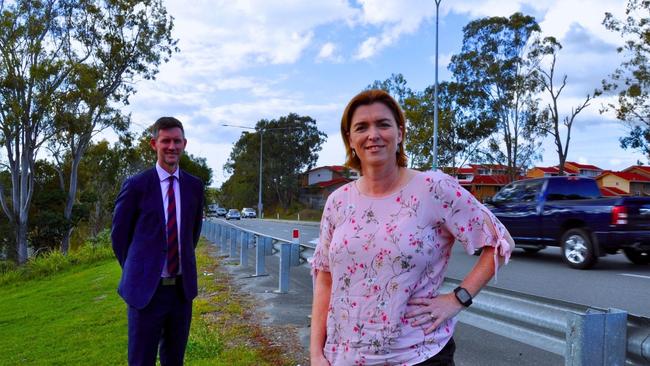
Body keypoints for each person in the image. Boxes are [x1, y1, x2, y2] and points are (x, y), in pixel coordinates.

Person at [309, 90, 515, 366]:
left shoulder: (434, 188)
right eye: (362, 127)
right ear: (350, 139)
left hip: (418, 354)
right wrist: (316, 354)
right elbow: (325, 278)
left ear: (400, 133)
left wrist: (458, 299)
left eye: (383, 124)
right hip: (343, 357)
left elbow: (500, 242)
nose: (373, 134)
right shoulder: (337, 201)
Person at [112, 117, 204, 366]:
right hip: (146, 293)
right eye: (166, 141)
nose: (172, 146)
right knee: (141, 360)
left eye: (177, 141)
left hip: (180, 293)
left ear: (184, 143)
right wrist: (140, 270)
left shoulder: (194, 187)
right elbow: (120, 238)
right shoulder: (136, 186)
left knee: (174, 360)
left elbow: (191, 235)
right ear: (154, 144)